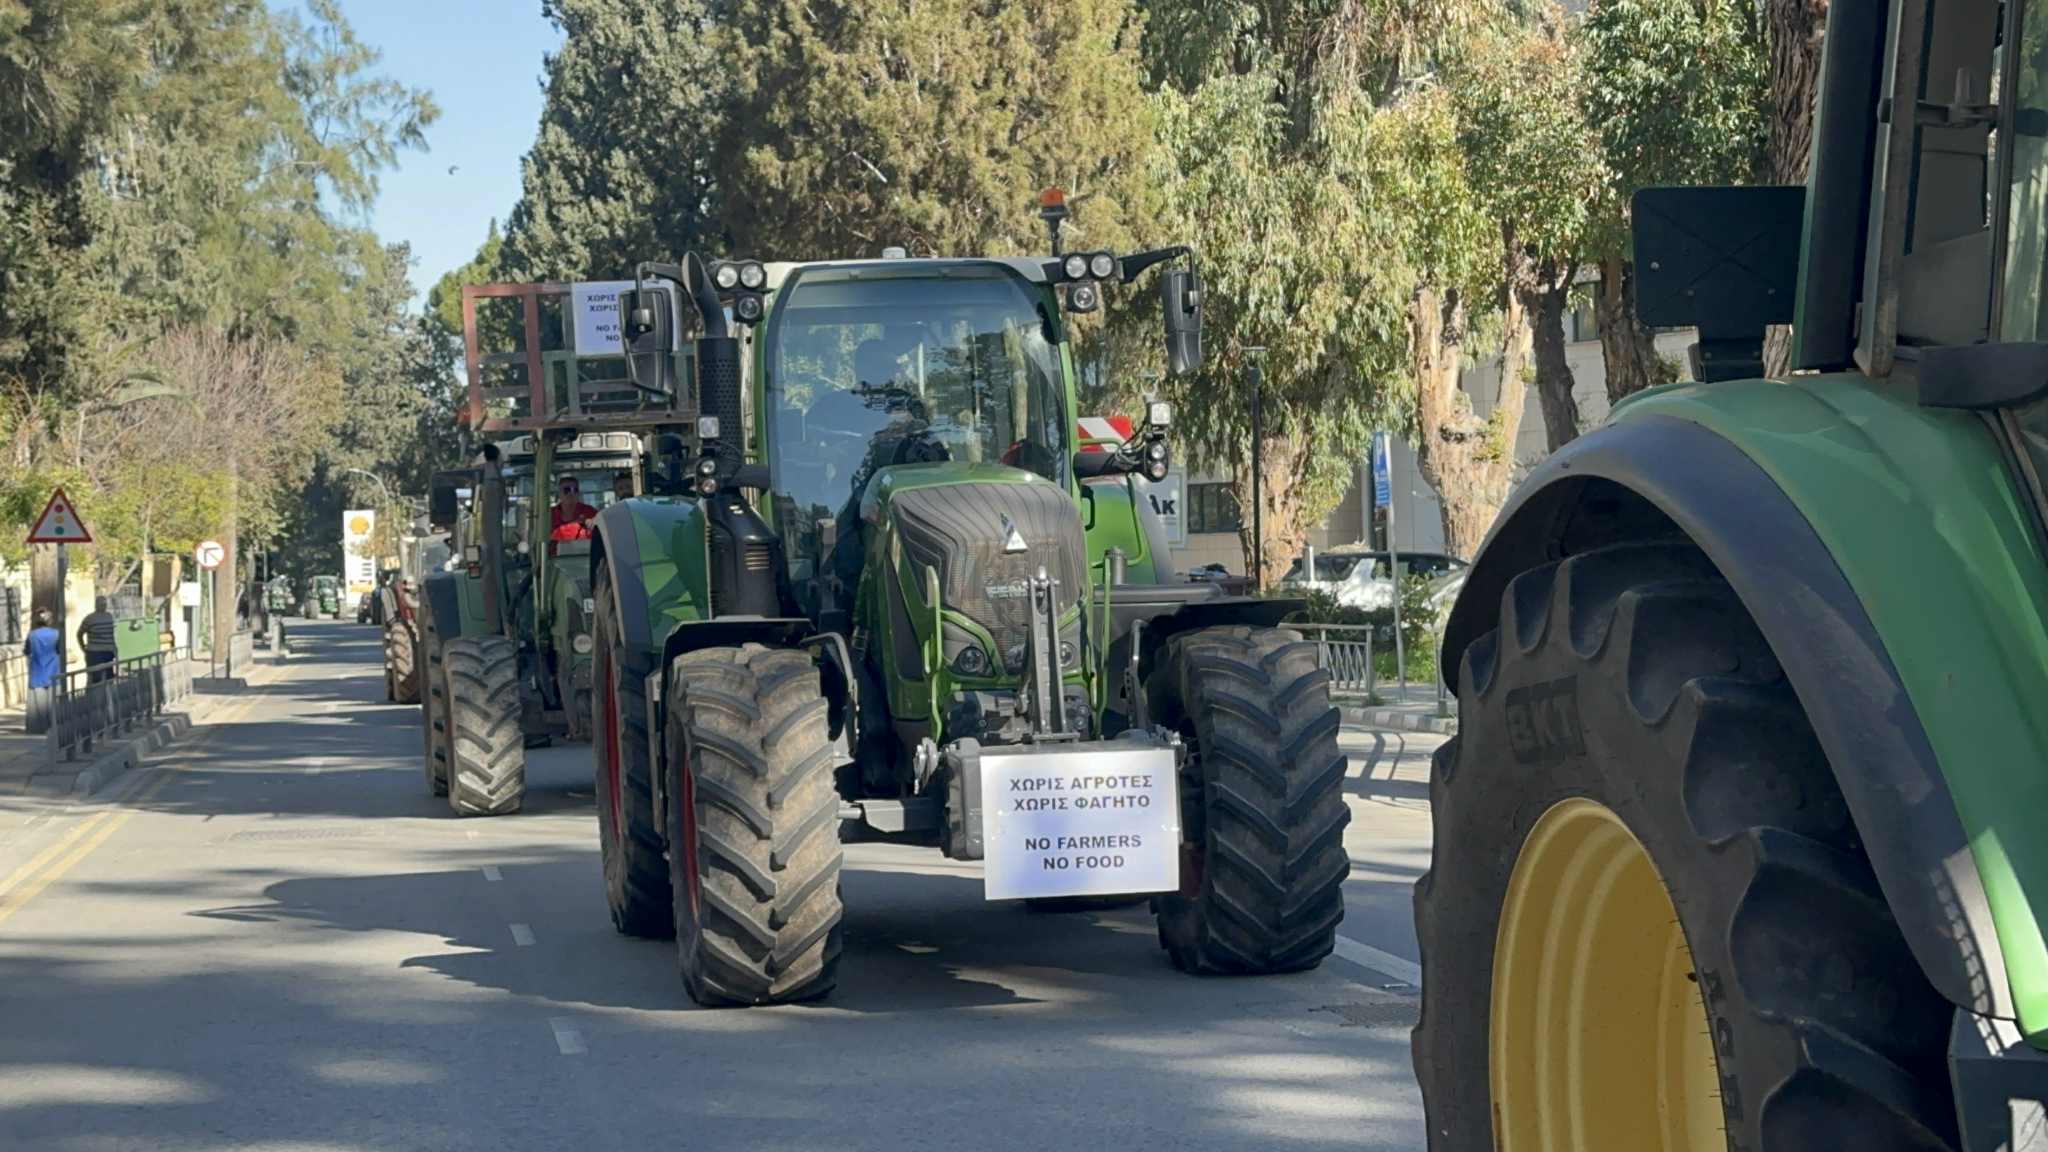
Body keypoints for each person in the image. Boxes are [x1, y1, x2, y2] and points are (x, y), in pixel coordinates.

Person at [23, 608, 60, 734]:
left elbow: (27, 651)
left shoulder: (32, 635)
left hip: (37, 672)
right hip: (54, 671)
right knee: (52, 703)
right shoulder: (57, 634)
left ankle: (39, 728)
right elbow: (60, 650)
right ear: (50, 621)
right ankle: (53, 727)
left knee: (38, 704)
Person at [77, 596, 117, 684]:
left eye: (104, 604)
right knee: (101, 679)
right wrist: (83, 648)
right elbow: (79, 634)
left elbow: (79, 634)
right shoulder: (94, 618)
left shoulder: (105, 617)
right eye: (102, 604)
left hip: (100, 652)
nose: (104, 606)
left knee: (101, 679)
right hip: (99, 653)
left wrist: (83, 647)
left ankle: (98, 692)